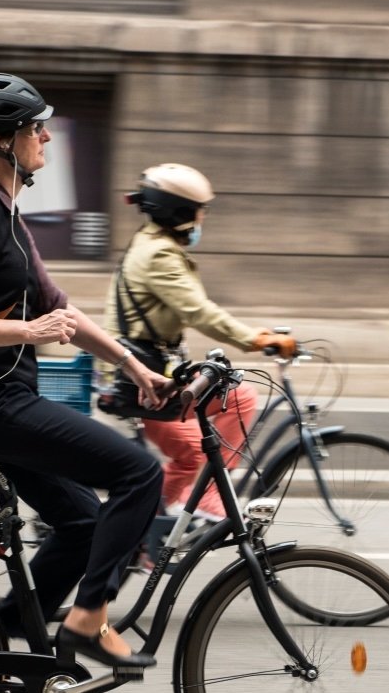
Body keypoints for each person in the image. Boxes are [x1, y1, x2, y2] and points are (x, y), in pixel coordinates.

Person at [0, 72, 173, 669]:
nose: (48, 139)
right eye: (38, 128)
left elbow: (60, 308)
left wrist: (132, 365)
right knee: (139, 474)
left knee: (85, 523)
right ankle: (87, 621)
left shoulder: (6, 216)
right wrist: (25, 333)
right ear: (3, 140)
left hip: (4, 402)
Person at [102, 163, 297, 522]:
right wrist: (255, 338)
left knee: (238, 397)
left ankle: (180, 506)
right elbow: (198, 312)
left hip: (154, 368)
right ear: (178, 212)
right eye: (198, 210)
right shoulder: (159, 255)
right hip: (140, 379)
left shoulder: (154, 245)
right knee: (193, 450)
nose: (202, 218)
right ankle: (148, 530)